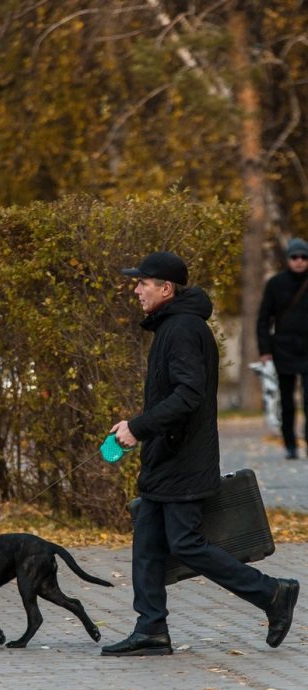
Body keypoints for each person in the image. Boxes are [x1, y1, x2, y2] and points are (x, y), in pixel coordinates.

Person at [102, 251, 299, 657]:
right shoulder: (172, 327)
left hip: (183, 460)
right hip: (167, 458)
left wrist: (138, 428)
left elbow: (188, 395)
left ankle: (273, 593)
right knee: (148, 543)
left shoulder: (183, 329)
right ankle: (151, 629)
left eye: (143, 283)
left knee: (187, 544)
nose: (136, 289)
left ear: (166, 288)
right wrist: (140, 430)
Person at [257, 237, 308, 459]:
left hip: (307, 350)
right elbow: (263, 319)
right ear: (288, 259)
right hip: (284, 349)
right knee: (286, 401)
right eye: (295, 257)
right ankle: (290, 444)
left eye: (304, 257)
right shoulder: (275, 284)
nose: (299, 261)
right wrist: (265, 350)